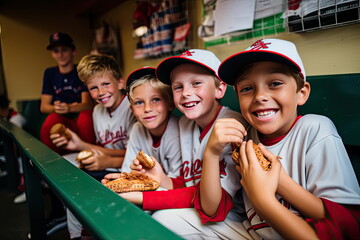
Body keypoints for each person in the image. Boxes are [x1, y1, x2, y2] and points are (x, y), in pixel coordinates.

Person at [212, 38, 360, 239]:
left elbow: (346, 225)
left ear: (301, 93)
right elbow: (217, 209)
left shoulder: (314, 128)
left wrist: (268, 191)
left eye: (275, 83)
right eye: (247, 88)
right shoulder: (243, 137)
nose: (259, 96)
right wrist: (211, 153)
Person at [103, 49, 255, 239]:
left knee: (163, 219)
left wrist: (143, 198)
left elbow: (216, 208)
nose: (186, 93)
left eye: (196, 83)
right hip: (205, 214)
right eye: (178, 87)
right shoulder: (186, 123)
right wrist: (162, 180)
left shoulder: (232, 126)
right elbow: (190, 182)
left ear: (220, 88)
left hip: (235, 220)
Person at [51, 54, 137, 239]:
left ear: (120, 83)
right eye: (93, 88)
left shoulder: (133, 107)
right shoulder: (97, 111)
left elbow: (134, 155)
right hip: (110, 163)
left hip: (129, 166)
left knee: (80, 187)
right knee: (63, 166)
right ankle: (77, 232)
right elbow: (101, 147)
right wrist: (80, 146)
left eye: (106, 84)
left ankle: (86, 229)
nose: (100, 92)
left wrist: (88, 148)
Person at [105, 66, 182, 192]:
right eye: (139, 102)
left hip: (171, 195)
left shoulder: (179, 131)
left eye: (156, 99)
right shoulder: (137, 129)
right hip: (149, 190)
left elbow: (177, 185)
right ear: (132, 110)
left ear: (170, 103)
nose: (147, 108)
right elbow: (127, 172)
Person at [40, 32, 95, 155]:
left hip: (80, 118)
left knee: (85, 118)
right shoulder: (50, 73)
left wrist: (69, 107)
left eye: (64, 50)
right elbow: (44, 107)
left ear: (73, 51)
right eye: (56, 51)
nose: (60, 55)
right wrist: (58, 108)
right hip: (61, 119)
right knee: (51, 120)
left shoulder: (81, 71)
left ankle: (91, 155)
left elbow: (87, 105)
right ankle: (51, 163)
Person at [0, 95, 27, 203]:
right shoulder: (5, 118)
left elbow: (19, 142)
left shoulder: (16, 118)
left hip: (25, 153)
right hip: (17, 154)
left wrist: (14, 158)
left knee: (23, 169)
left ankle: (27, 191)